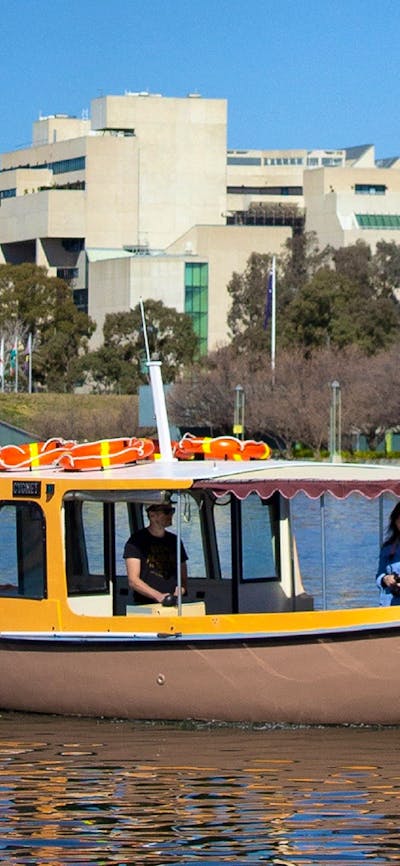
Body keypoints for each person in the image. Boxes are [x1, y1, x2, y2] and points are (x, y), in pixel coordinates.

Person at [124, 501, 188, 605]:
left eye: (172, 511)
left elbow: (183, 577)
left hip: (174, 604)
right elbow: (133, 580)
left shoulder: (175, 541)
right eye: (167, 511)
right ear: (152, 515)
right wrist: (159, 597)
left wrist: (179, 592)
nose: (171, 515)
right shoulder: (136, 541)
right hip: (144, 606)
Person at [376, 502, 400, 606]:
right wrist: (385, 579)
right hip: (391, 607)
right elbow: (379, 575)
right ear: (395, 522)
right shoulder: (388, 547)